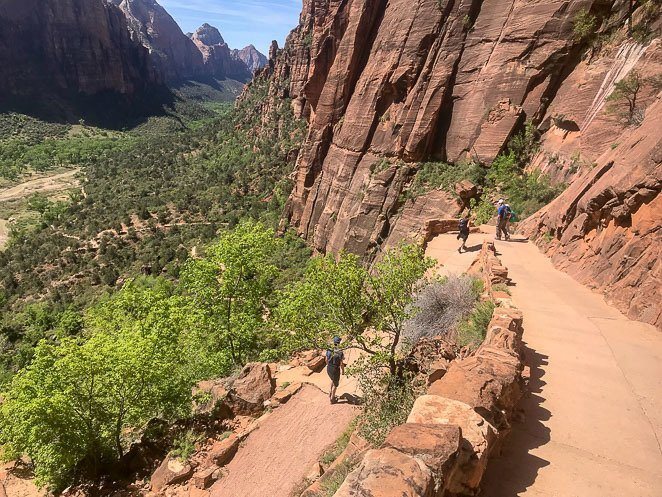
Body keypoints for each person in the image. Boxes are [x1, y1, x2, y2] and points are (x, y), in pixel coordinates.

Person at [325, 336, 345, 404]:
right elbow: (341, 363)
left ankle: (330, 393)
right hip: (335, 369)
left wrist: (329, 365)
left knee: (333, 380)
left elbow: (326, 360)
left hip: (329, 368)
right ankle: (332, 399)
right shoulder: (340, 352)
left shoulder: (329, 350)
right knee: (335, 385)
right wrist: (343, 371)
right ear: (339, 343)